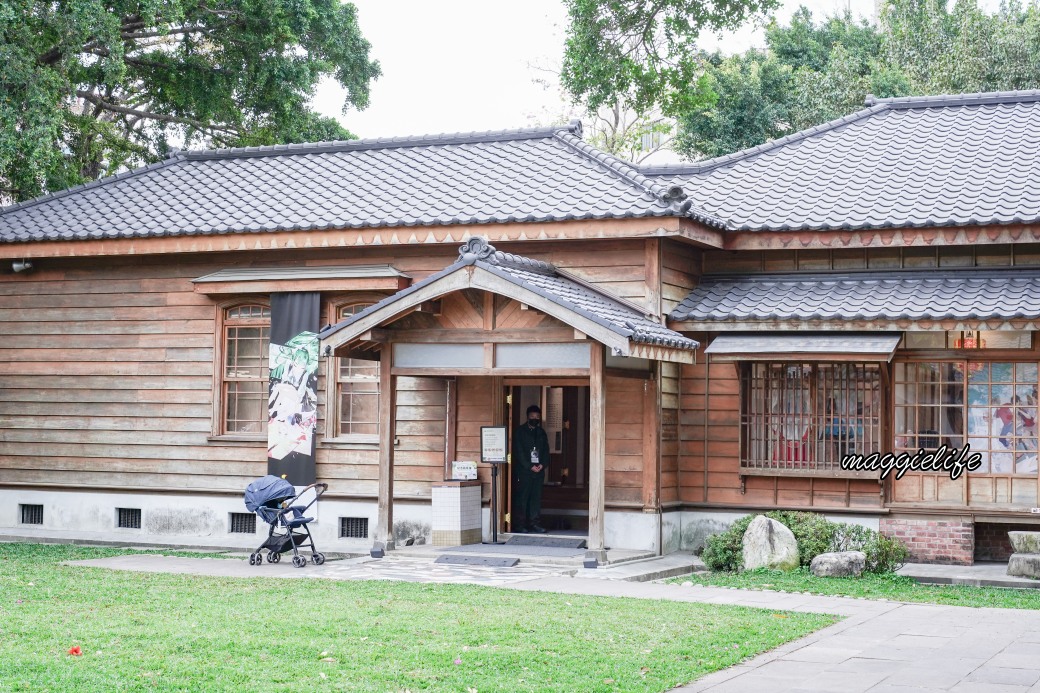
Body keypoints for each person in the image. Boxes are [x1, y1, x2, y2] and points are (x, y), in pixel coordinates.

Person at [512, 404, 550, 534]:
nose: (535, 418)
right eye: (532, 416)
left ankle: (535, 523)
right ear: (527, 417)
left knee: (536, 498)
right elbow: (519, 452)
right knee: (523, 497)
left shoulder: (541, 432)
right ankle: (520, 524)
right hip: (525, 471)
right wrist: (529, 466)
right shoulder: (520, 431)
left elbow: (546, 451)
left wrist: (542, 465)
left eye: (537, 416)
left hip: (539, 471)